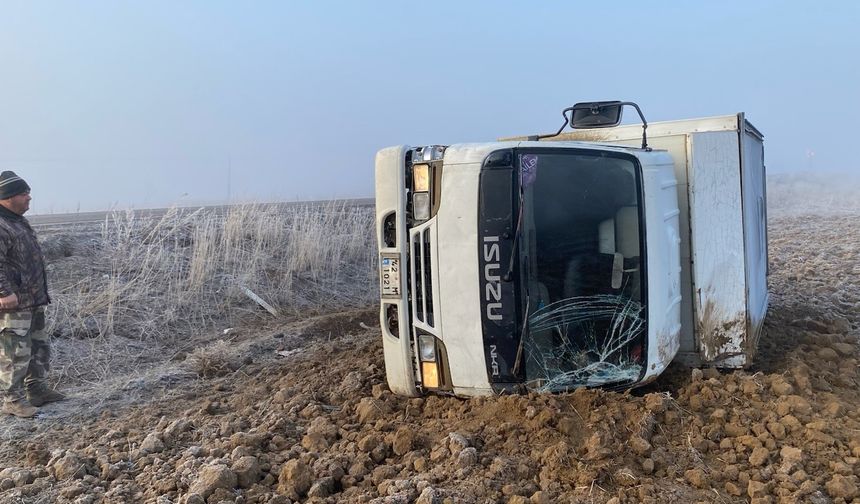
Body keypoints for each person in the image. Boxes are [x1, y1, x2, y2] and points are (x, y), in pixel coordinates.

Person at [0, 171, 64, 418]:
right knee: (14, 352)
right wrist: (4, 292)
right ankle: (12, 400)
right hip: (12, 303)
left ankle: (37, 390)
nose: (29, 197)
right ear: (7, 197)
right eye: (24, 193)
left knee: (38, 345)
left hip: (31, 300)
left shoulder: (16, 220)